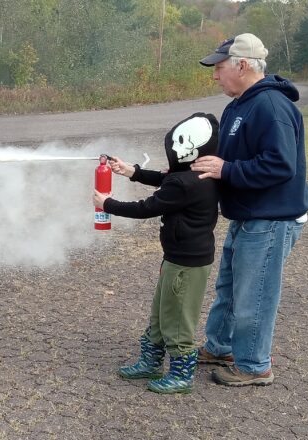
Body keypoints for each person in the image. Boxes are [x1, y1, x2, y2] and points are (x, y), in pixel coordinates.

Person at [189, 33, 308, 387]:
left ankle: (255, 365)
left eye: (220, 67)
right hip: (248, 215)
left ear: (242, 65)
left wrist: (226, 170)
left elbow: (280, 164)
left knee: (254, 293)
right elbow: (226, 154)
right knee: (229, 287)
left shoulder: (271, 107)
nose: (215, 75)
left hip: (270, 219)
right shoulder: (239, 104)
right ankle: (220, 347)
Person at [93, 112, 221, 394]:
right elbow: (166, 180)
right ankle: (150, 362)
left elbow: (147, 207)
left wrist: (108, 204)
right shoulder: (197, 175)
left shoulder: (186, 183)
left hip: (185, 264)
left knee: (177, 320)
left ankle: (181, 376)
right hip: (179, 258)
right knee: (161, 314)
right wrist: (133, 171)